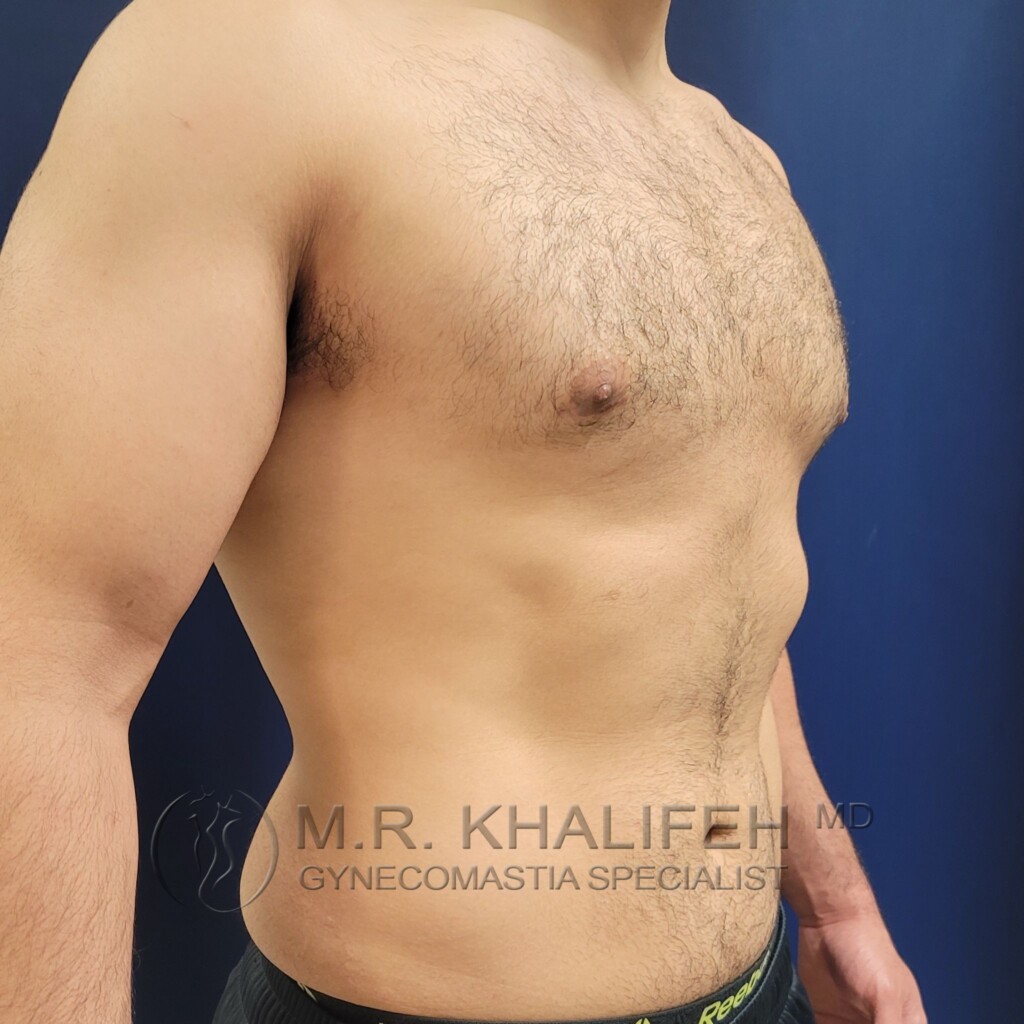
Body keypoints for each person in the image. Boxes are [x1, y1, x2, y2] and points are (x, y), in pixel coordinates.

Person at [0, 0, 927, 1022]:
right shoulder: (246, 62)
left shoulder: (738, 160)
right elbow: (39, 659)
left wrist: (835, 904)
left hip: (761, 988)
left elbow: (717, 569)